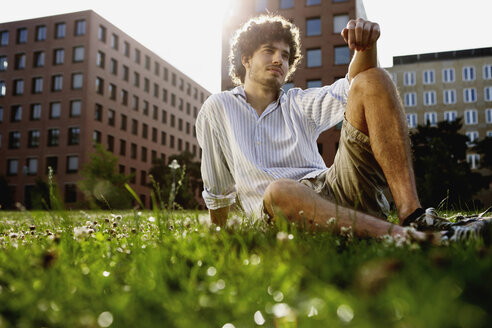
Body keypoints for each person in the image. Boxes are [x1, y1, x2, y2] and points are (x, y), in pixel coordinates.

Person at [196, 14, 490, 243]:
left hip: (335, 188)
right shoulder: (219, 108)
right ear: (246, 59)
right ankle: (411, 239)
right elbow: (218, 188)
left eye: (285, 55)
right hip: (280, 211)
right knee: (278, 191)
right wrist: (220, 237)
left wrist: (365, 46)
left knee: (373, 79)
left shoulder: (297, 103)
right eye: (269, 51)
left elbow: (352, 86)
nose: (279, 59)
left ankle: (413, 216)